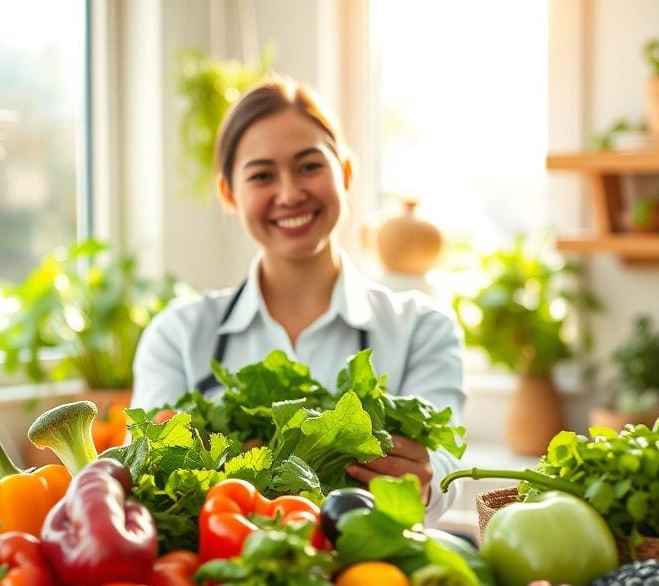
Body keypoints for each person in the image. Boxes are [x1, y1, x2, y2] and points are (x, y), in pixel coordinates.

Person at [131, 76, 465, 522]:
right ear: (230, 194)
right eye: (262, 175)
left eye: (309, 167)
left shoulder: (423, 328)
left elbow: (444, 470)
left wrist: (425, 475)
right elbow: (151, 480)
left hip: (371, 578)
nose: (290, 194)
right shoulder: (178, 335)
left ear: (345, 173)